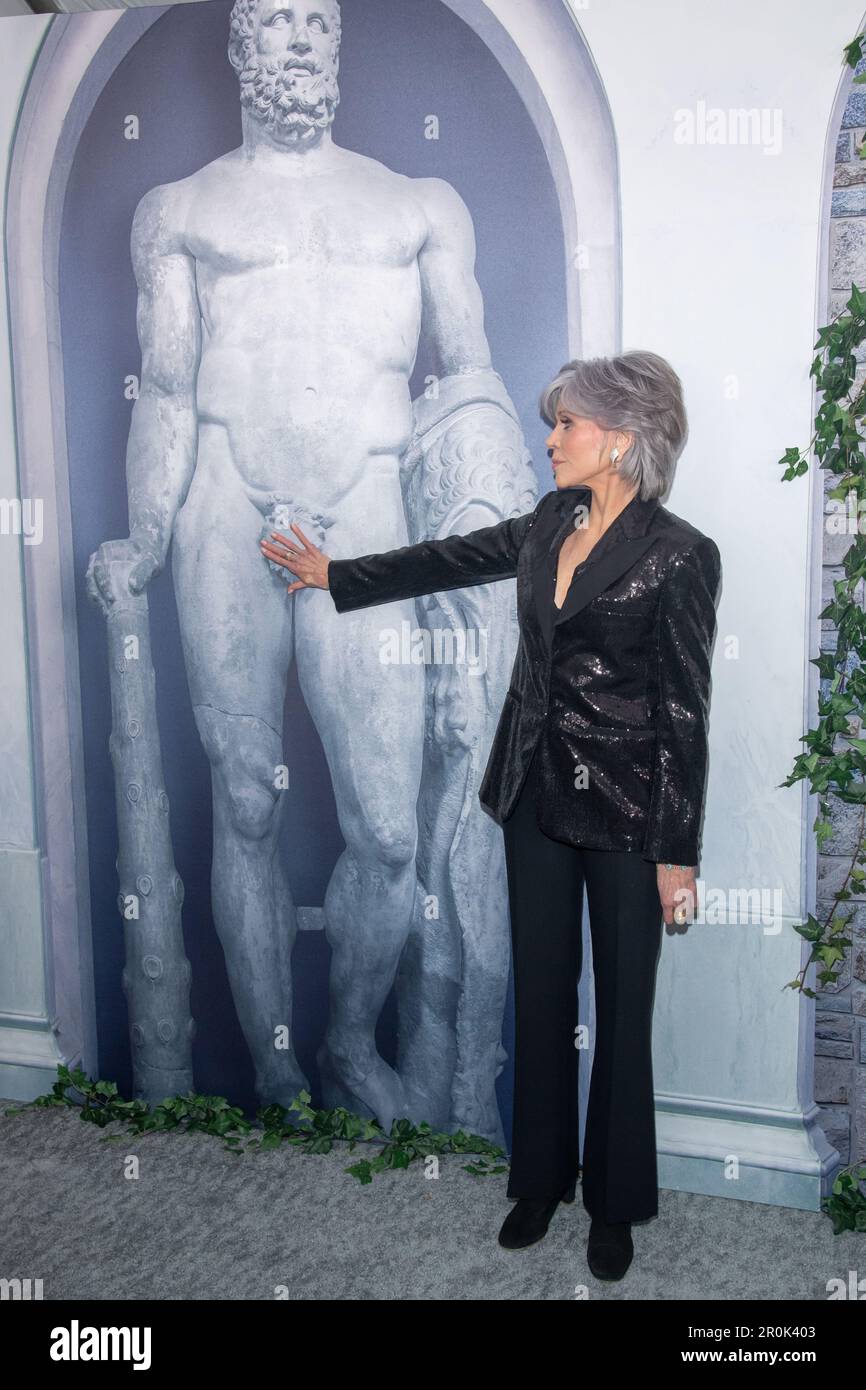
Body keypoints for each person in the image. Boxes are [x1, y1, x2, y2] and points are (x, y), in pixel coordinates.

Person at [259, 351, 722, 1282]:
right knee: (542, 998)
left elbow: (683, 711)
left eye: (568, 425)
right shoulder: (552, 519)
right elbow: (449, 557)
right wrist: (333, 575)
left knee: (622, 1017)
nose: (549, 440)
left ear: (623, 439)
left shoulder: (682, 555)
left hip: (632, 817)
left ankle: (615, 1204)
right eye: (553, 423)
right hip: (533, 797)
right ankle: (540, 1180)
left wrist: (678, 855)